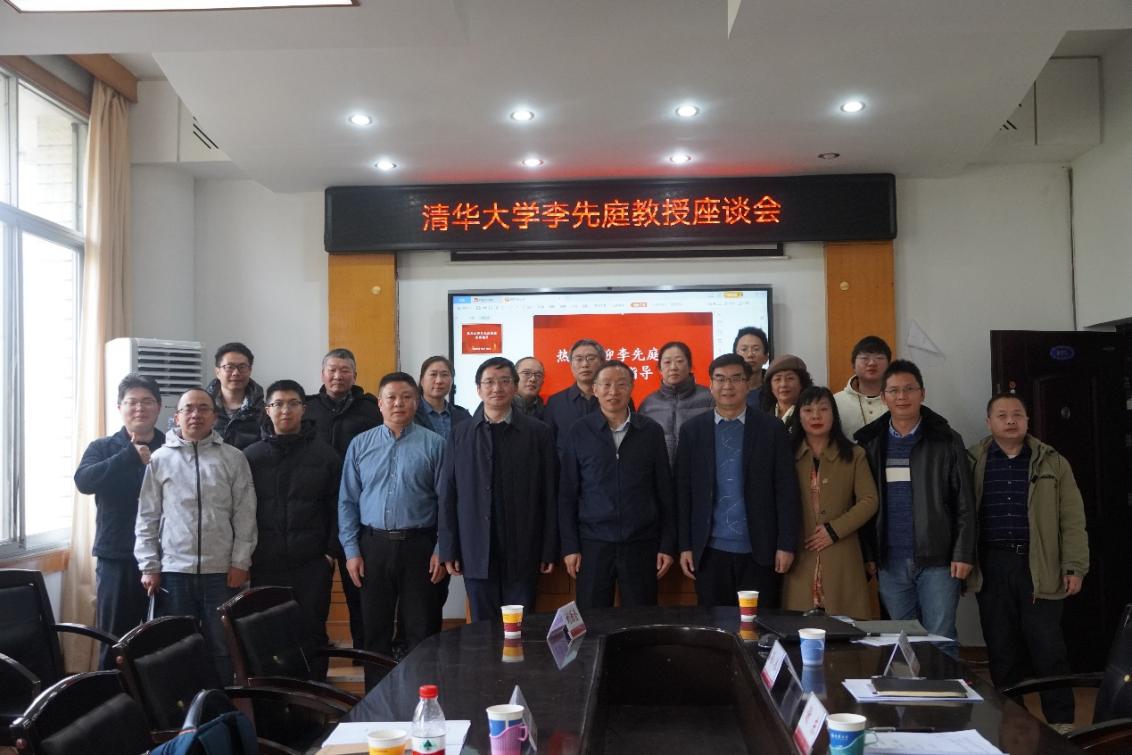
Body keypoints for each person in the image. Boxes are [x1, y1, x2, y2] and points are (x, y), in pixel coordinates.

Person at [968, 393, 1088, 732]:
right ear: (989, 422)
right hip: (992, 565)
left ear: (1027, 420)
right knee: (1001, 648)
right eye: (1002, 415)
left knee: (1048, 648)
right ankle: (1012, 718)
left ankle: (1062, 721)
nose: (1010, 420)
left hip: (1040, 565)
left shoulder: (1052, 461)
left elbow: (1072, 519)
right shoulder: (973, 460)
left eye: (1017, 414)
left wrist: (1074, 566)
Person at [135, 388, 258, 682]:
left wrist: (240, 561)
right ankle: (182, 706)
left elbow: (245, 513)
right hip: (174, 572)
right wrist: (149, 565)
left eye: (203, 408)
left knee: (222, 646)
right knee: (177, 646)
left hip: (221, 572)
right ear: (177, 417)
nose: (195, 414)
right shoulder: (160, 459)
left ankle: (220, 703)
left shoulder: (233, 458)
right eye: (188, 409)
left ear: (214, 416)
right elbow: (147, 516)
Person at [854, 359, 976, 649]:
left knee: (940, 638)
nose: (902, 397)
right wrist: (869, 553)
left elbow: (965, 501)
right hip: (890, 561)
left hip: (938, 559)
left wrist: (963, 553)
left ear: (923, 393)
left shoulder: (946, 440)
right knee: (903, 642)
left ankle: (943, 682)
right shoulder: (871, 443)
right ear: (883, 397)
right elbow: (864, 505)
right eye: (894, 390)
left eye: (909, 389)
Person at [339, 372, 448, 690]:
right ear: (380, 403)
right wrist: (351, 551)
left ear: (416, 402)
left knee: (421, 628)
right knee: (375, 629)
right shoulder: (360, 444)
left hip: (420, 547)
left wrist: (442, 548)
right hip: (373, 546)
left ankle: (422, 700)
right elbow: (347, 501)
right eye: (391, 397)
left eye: (406, 397)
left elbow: (447, 503)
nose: (398, 403)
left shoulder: (435, 445)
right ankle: (377, 700)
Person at [438, 357, 558, 621]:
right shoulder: (460, 433)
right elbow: (449, 493)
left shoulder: (538, 433)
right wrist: (449, 548)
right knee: (483, 626)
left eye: (504, 381)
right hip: (475, 547)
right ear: (478, 389)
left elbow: (549, 494)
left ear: (515, 387)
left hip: (524, 547)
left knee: (520, 625)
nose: (497, 388)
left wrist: (549, 547)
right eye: (489, 382)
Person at [676, 353, 800, 608]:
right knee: (715, 626)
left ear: (748, 384)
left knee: (758, 624)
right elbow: (683, 492)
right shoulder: (693, 431)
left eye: (735, 379)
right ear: (710, 385)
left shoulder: (771, 429)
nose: (728, 386)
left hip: (760, 550)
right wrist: (685, 545)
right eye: (720, 379)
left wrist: (786, 544)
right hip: (709, 551)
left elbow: (786, 490)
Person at [243, 379, 341, 680]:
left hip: (311, 563)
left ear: (304, 409)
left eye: (293, 403)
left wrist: (329, 553)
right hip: (264, 564)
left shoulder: (325, 455)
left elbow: (338, 507)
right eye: (278, 404)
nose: (285, 410)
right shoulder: (250, 457)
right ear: (267, 410)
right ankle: (274, 701)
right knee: (267, 635)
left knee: (312, 631)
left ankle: (315, 697)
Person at [559, 360, 675, 609]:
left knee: (641, 618)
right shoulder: (579, 431)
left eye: (621, 384)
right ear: (595, 389)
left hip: (641, 542)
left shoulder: (650, 431)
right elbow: (568, 493)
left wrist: (667, 545)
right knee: (592, 618)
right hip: (593, 543)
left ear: (631, 388)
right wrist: (570, 546)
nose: (613, 391)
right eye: (606, 385)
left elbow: (664, 491)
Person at [74, 373, 167, 668]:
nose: (140, 408)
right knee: (115, 638)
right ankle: (112, 694)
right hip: (117, 556)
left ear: (159, 407)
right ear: (120, 407)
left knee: (164, 639)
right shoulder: (102, 447)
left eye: (147, 401)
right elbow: (83, 481)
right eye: (132, 402)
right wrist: (129, 455)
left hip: (167, 557)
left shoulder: (172, 446)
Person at [304, 347, 381, 652]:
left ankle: (365, 656)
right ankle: (317, 656)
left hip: (360, 512)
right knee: (314, 596)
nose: (338, 376)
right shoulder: (307, 409)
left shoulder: (371, 409)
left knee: (361, 591)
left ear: (355, 375)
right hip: (316, 515)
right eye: (332, 370)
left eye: (345, 370)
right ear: (322, 374)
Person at [782, 386, 878, 617]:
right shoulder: (786, 455)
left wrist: (834, 530)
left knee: (846, 627)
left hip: (842, 551)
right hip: (799, 554)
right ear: (798, 416)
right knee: (799, 628)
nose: (816, 416)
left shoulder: (854, 454)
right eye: (808, 410)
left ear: (834, 414)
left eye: (823, 409)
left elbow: (869, 500)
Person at [638, 341, 713, 464]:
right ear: (659, 369)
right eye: (667, 362)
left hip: (699, 470)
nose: (673, 367)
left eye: (679, 361)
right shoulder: (648, 405)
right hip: (662, 472)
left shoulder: (710, 398)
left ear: (690, 366)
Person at [544, 338, 605, 454]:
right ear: (571, 365)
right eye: (579, 359)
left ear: (602, 363)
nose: (585, 364)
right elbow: (548, 445)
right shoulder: (555, 402)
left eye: (591, 358)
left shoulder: (616, 399)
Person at [204, 342, 265, 449]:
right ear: (217, 372)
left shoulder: (263, 411)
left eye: (242, 367)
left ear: (250, 370)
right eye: (229, 367)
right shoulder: (203, 408)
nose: (236, 373)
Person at [834, 335, 892, 440]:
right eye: (865, 358)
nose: (872, 363)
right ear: (853, 365)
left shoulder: (900, 400)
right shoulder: (836, 402)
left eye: (879, 358)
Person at [414, 355, 471, 440]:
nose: (439, 381)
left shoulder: (463, 416)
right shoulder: (411, 414)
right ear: (422, 380)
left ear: (452, 381)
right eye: (433, 374)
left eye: (444, 375)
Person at [760, 354, 813, 423]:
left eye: (790, 378)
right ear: (770, 386)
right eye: (777, 379)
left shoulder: (810, 415)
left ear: (802, 383)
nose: (783, 384)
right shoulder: (762, 414)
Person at [733, 326, 770, 409]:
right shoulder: (726, 389)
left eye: (756, 349)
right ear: (735, 357)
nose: (750, 355)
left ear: (766, 358)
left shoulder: (775, 390)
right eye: (744, 349)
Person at [512, 356, 547, 420]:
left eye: (538, 375)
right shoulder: (501, 406)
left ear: (542, 382)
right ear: (514, 377)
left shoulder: (548, 410)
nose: (533, 379)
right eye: (526, 373)